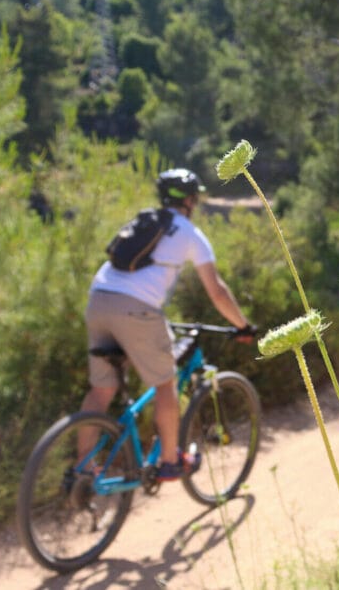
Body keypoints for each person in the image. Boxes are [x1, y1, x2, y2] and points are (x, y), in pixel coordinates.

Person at [81, 168, 256, 481]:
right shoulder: (189, 233)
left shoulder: (144, 220)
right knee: (165, 383)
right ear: (190, 200)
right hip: (137, 307)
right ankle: (170, 461)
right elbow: (216, 291)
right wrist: (243, 325)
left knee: (101, 389)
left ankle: (82, 468)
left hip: (98, 299)